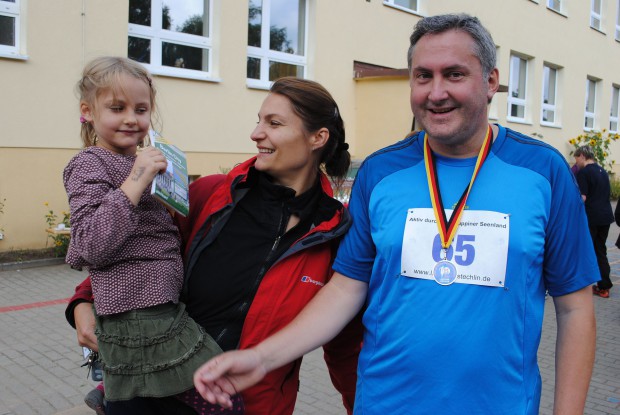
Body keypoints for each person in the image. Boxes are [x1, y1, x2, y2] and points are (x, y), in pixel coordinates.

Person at [193, 13, 599, 415]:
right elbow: (345, 289)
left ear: (491, 81)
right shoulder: (381, 171)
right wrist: (262, 358)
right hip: (386, 404)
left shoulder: (543, 172)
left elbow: (574, 307)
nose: (435, 92)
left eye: (454, 74)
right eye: (423, 76)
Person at [66, 76, 363, 414]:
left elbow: (346, 343)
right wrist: (82, 301)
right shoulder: (212, 194)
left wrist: (364, 407)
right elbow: (142, 247)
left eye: (274, 123)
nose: (255, 134)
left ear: (317, 138)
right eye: (258, 120)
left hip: (251, 404)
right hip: (157, 393)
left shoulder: (335, 232)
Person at [64, 56, 240, 414]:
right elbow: (88, 246)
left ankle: (108, 391)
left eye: (141, 109)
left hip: (165, 306)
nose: (131, 118)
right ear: (88, 111)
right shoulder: (89, 164)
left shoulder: (143, 161)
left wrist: (169, 200)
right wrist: (137, 181)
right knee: (223, 401)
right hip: (136, 315)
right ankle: (111, 390)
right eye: (117, 107)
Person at [574, 145, 614, 298]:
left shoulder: (584, 173)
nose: (576, 163)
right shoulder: (602, 171)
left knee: (585, 249)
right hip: (605, 217)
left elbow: (582, 198)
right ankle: (604, 286)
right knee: (600, 250)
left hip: (592, 217)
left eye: (577, 160)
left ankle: (581, 285)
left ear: (583, 156)